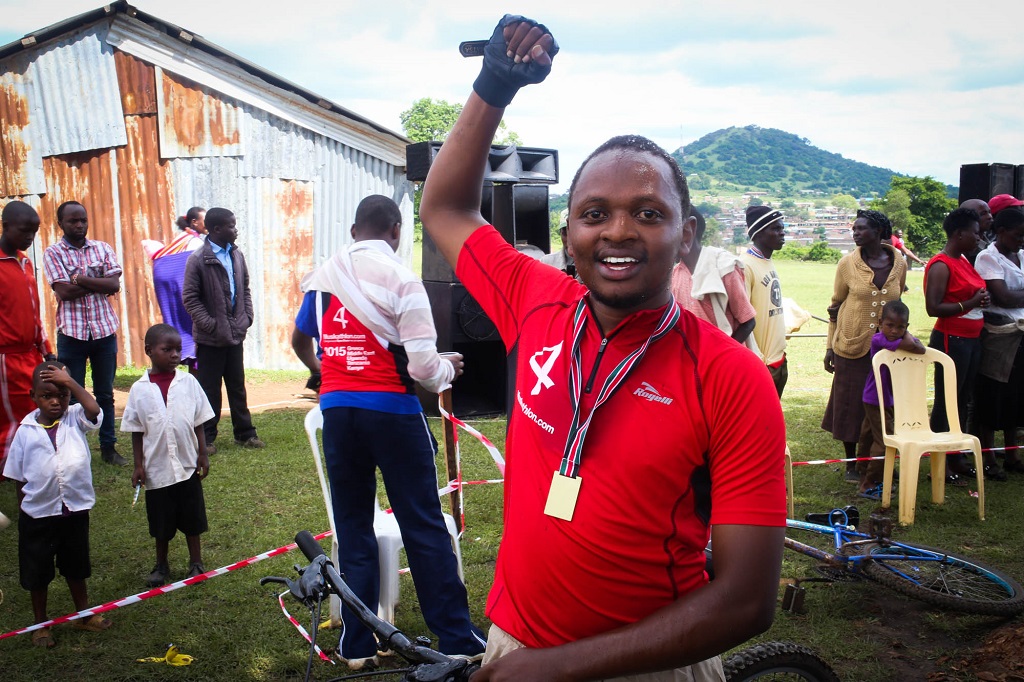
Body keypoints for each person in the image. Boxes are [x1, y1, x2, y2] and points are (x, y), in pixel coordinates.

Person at [419, 16, 786, 681]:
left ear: (687, 233)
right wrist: (495, 84)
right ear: (568, 234)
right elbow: (445, 206)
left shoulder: (731, 377)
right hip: (516, 647)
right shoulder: (535, 299)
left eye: (648, 213)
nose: (618, 232)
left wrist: (557, 669)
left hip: (654, 665)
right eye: (595, 214)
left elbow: (747, 600)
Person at [291, 194, 485, 669]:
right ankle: (456, 637)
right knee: (422, 524)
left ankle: (356, 646)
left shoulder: (322, 279)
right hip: (393, 414)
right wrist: (448, 369)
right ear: (396, 230)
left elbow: (299, 337)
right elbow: (422, 367)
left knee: (353, 530)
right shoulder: (401, 277)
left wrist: (326, 374)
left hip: (338, 413)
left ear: (355, 229)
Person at [2, 361, 111, 648]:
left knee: (76, 566)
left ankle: (84, 614)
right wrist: (25, 509)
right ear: (33, 396)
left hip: (74, 510)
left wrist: (72, 383)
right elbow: (17, 477)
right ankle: (41, 624)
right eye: (46, 395)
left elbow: (95, 410)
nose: (55, 401)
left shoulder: (75, 417)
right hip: (38, 515)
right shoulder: (25, 431)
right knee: (37, 572)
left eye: (61, 395)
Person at [122, 324, 214, 586]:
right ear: (150, 351)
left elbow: (198, 421)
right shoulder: (139, 389)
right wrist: (138, 466)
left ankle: (196, 562)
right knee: (161, 522)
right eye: (167, 349)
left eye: (177, 349)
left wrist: (203, 453)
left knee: (192, 517)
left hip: (186, 466)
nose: (175, 355)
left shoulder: (188, 382)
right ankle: (161, 564)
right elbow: (136, 431)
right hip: (157, 470)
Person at [822, 209, 907, 483]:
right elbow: (835, 306)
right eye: (854, 228)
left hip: (888, 349)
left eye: (861, 229)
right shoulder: (847, 264)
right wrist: (829, 346)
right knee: (850, 405)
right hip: (851, 343)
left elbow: (899, 305)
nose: (855, 233)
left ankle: (879, 461)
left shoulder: (899, 264)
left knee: (883, 406)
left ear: (879, 232)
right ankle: (851, 463)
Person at [42, 201, 124, 466]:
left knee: (104, 393)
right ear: (61, 224)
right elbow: (63, 292)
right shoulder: (53, 253)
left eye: (83, 220)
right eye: (73, 221)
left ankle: (109, 447)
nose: (79, 225)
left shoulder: (103, 248)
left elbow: (114, 284)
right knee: (69, 392)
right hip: (72, 335)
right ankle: (72, 449)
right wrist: (97, 282)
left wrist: (78, 279)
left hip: (103, 332)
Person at [182, 207, 264, 454]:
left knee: (237, 385)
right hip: (210, 338)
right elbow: (190, 298)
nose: (235, 230)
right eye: (231, 225)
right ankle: (206, 437)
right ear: (216, 229)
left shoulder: (236, 256)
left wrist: (246, 317)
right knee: (209, 388)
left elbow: (245, 289)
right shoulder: (198, 259)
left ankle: (245, 433)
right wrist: (211, 325)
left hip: (235, 334)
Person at [923, 207, 989, 482]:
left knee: (962, 400)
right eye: (974, 233)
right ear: (959, 234)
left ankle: (956, 457)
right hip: (953, 339)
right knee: (946, 401)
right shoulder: (941, 264)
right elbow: (933, 307)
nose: (979, 237)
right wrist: (971, 303)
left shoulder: (962, 259)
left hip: (972, 339)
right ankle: (941, 464)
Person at [0, 201, 54, 475]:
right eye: (24, 231)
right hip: (5, 359)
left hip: (30, 355)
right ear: (6, 226)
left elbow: (34, 311)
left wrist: (46, 349)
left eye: (34, 231)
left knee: (33, 411)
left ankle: (31, 472)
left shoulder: (24, 262)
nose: (30, 237)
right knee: (10, 422)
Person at [973, 206, 1024, 477]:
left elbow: (1011, 294)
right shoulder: (987, 258)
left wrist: (1015, 293)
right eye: (1017, 236)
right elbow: (1003, 297)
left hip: (1021, 336)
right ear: (1001, 232)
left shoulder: (1021, 256)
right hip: (999, 336)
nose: (1021, 241)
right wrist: (1012, 294)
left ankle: (1013, 455)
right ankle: (989, 457)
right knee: (993, 396)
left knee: (1017, 396)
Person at [857, 300, 925, 499]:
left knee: (868, 434)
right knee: (884, 440)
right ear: (880, 323)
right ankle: (870, 482)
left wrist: (908, 334)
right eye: (890, 325)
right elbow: (917, 347)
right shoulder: (878, 340)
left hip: (883, 397)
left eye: (901, 327)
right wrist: (907, 335)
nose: (894, 331)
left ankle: (862, 473)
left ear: (906, 326)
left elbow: (915, 347)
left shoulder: (893, 337)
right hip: (877, 397)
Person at [670, 207, 756, 345]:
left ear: (686, 233)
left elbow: (748, 322)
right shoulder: (674, 275)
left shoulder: (724, 268)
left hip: (724, 360)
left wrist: (723, 354)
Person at [148, 207, 207, 371]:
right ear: (194, 222)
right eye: (205, 219)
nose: (207, 223)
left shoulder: (186, 240)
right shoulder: (193, 243)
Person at [739, 205, 788, 396]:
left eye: (782, 228)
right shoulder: (745, 265)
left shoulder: (767, 261)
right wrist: (757, 360)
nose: (782, 233)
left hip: (779, 359)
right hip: (762, 364)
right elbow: (741, 317)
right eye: (776, 229)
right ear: (758, 232)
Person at [539, 208, 576, 277]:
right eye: (564, 233)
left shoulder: (596, 265)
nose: (569, 240)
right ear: (560, 233)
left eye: (573, 233)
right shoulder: (546, 263)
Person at [961, 198, 994, 264]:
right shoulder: (967, 249)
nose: (989, 216)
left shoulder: (989, 242)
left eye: (989, 212)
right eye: (983, 214)